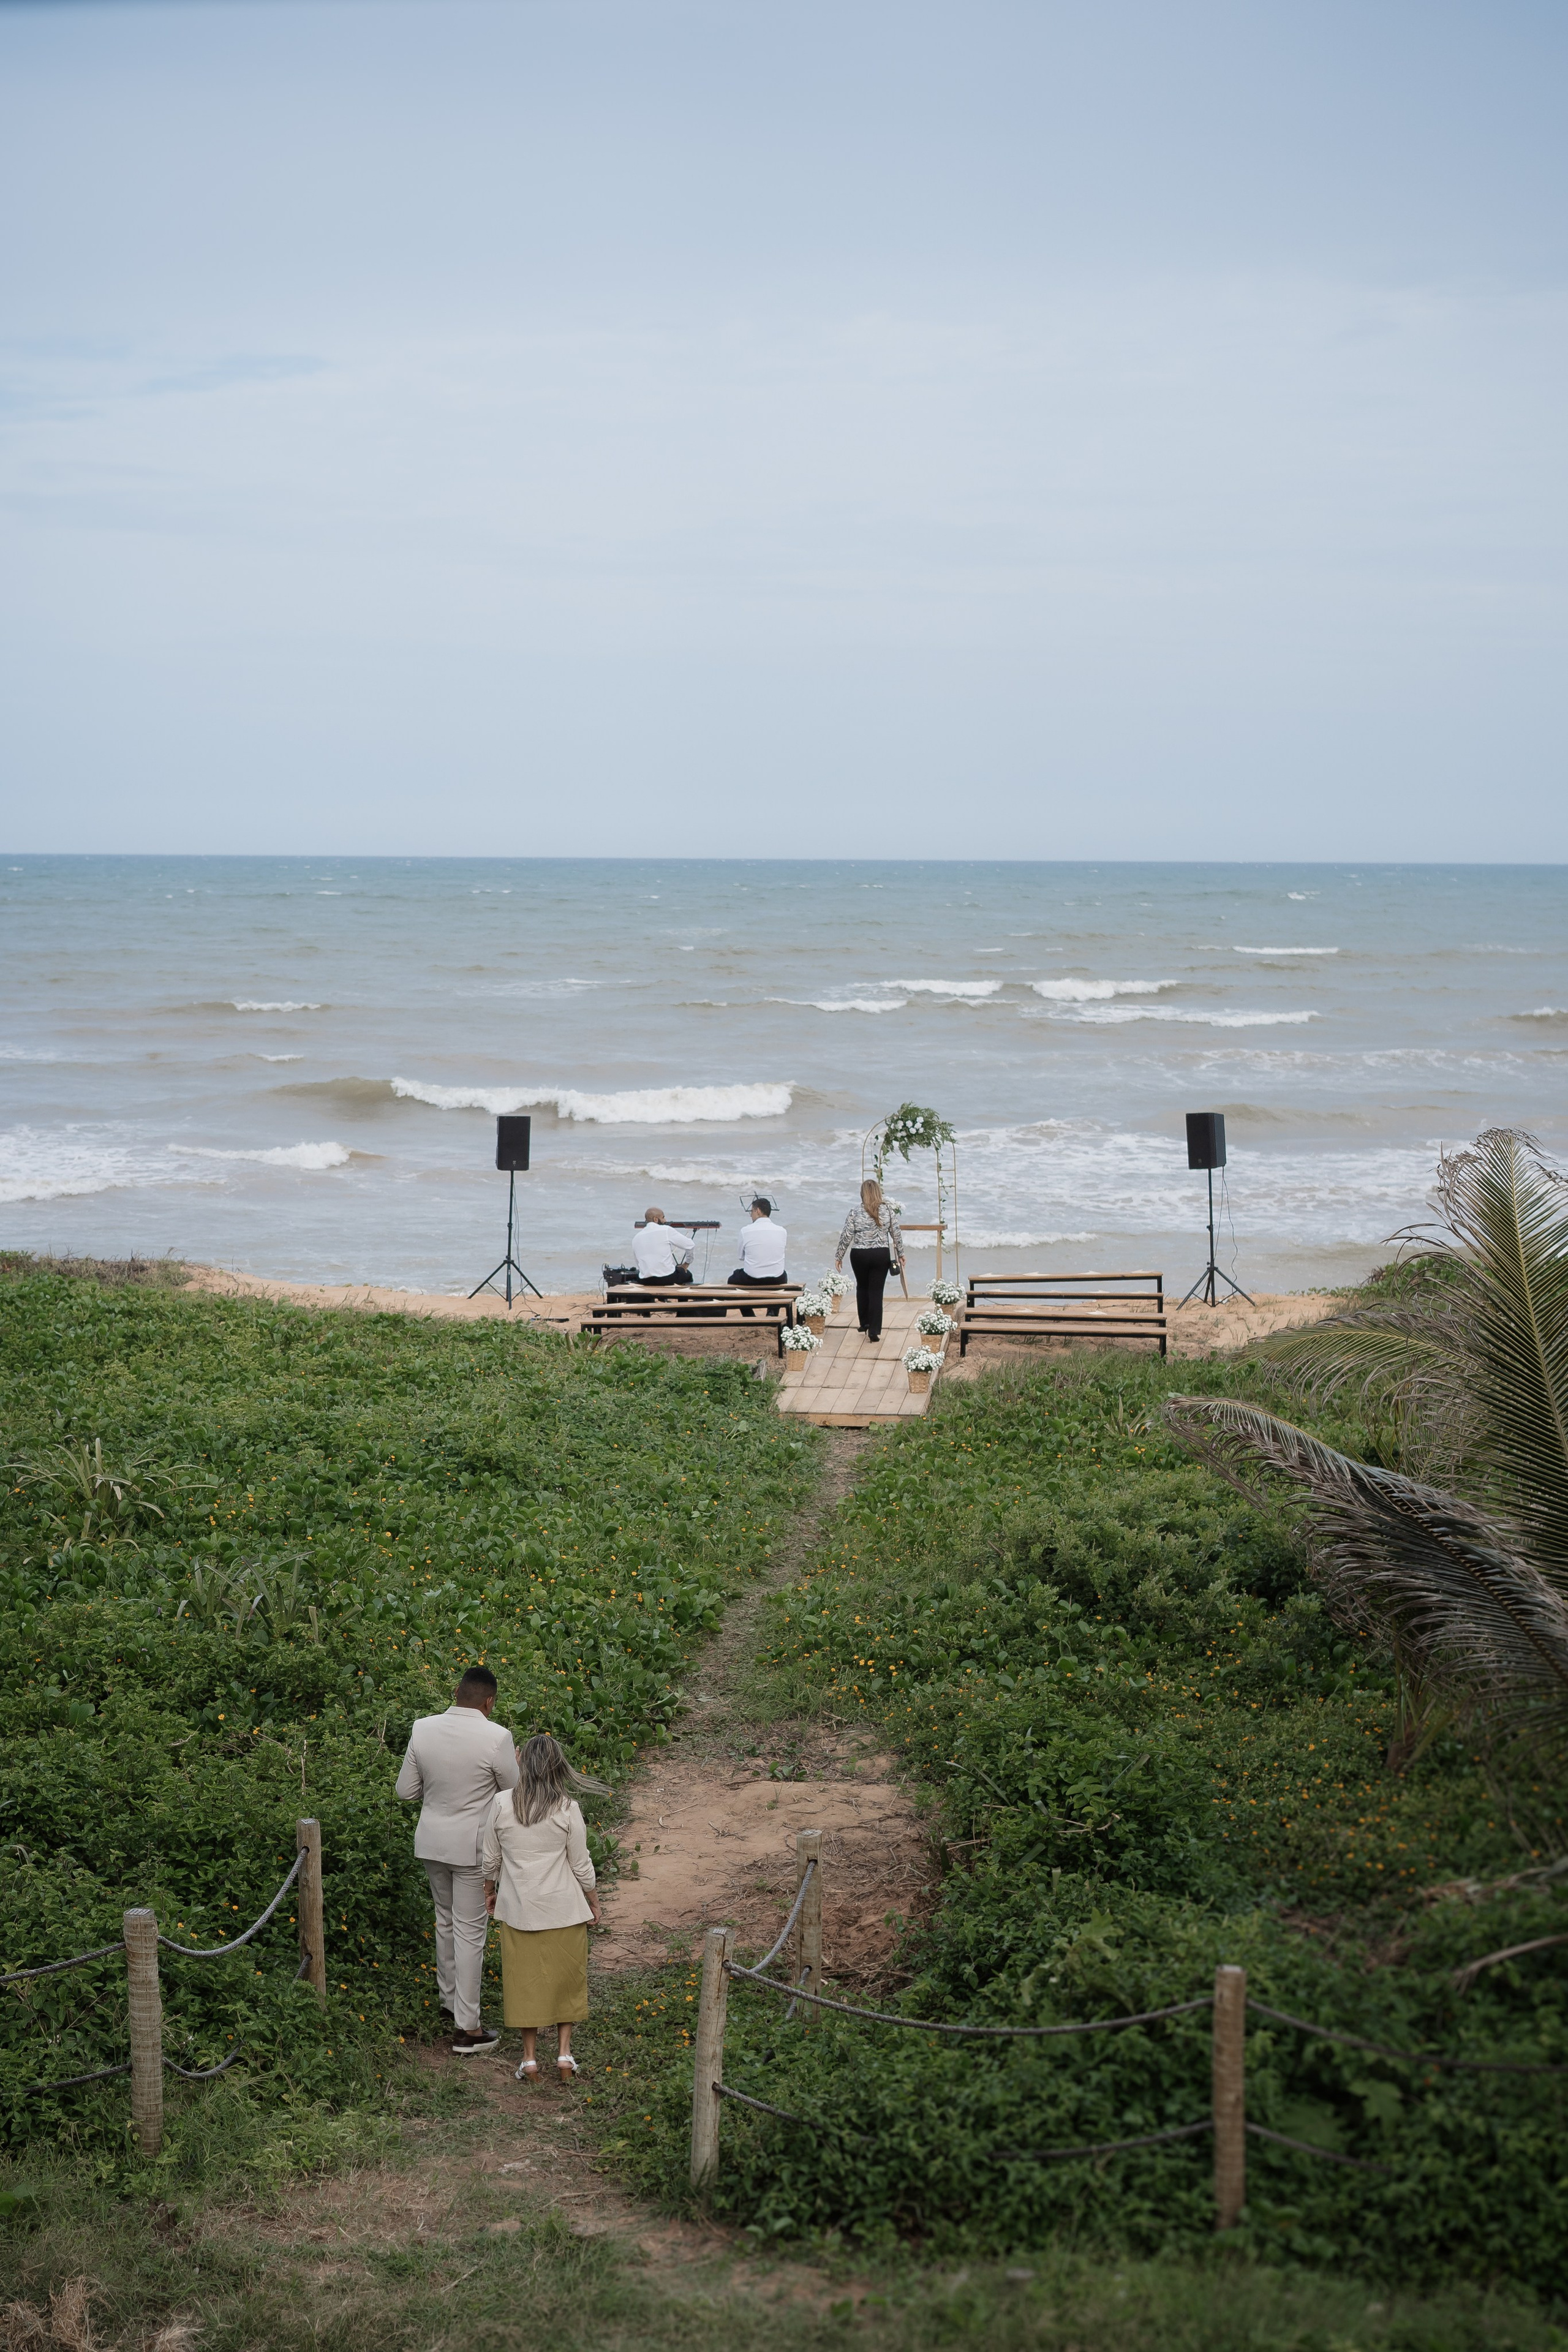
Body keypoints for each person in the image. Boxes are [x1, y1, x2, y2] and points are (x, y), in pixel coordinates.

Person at [395, 1665, 519, 2054]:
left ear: (455, 1691)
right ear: (490, 1702)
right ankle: (468, 2028)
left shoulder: (422, 1727)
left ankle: (450, 2003)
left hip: (432, 1842)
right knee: (472, 1932)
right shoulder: (497, 1737)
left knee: (445, 1922)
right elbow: (515, 1794)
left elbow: (405, 1791)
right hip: (473, 1849)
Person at [482, 1733, 606, 2084]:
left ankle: (530, 2060)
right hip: (564, 1908)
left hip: (519, 1910)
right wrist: (593, 1901)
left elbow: (490, 1859)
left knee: (525, 1986)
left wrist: (489, 1892)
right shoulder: (568, 1808)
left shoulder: (502, 1804)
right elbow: (581, 1864)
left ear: (521, 1760)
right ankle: (565, 2056)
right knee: (566, 1981)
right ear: (557, 1765)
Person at [835, 1177, 904, 1344]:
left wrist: (839, 1256)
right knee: (876, 1292)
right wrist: (901, 1254)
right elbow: (896, 1234)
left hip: (859, 1254)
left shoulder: (855, 1212)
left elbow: (846, 1236)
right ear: (878, 1193)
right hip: (880, 1254)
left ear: (862, 1194)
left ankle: (864, 1322)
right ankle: (874, 1331)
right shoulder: (888, 1211)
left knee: (862, 1287)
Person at [727, 1196, 788, 1288]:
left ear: (758, 1211)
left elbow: (741, 1257)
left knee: (734, 1277)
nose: (751, 1215)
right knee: (784, 1274)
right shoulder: (782, 1231)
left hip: (752, 1279)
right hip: (777, 1279)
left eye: (752, 1211)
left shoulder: (745, 1231)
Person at [632, 1206, 696, 1286]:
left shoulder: (636, 1238)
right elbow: (690, 1245)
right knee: (688, 1275)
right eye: (663, 1217)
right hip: (667, 1278)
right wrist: (686, 1264)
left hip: (645, 1280)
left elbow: (639, 1263)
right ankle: (682, 1297)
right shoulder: (666, 1230)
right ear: (656, 1219)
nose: (665, 1220)